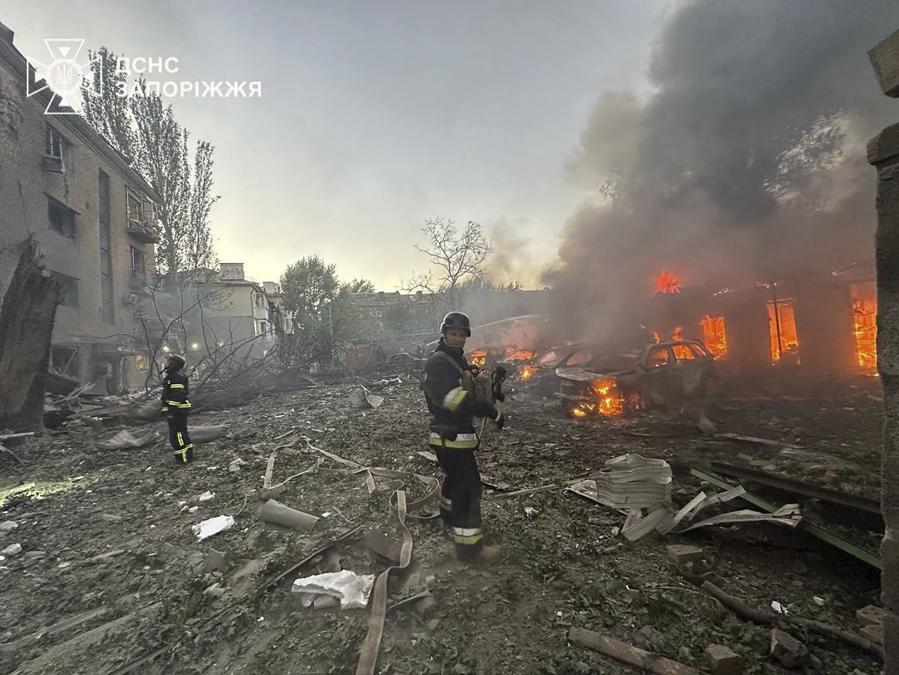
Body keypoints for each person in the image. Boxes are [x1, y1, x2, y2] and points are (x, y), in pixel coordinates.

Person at [421, 311, 505, 563]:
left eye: (462, 335)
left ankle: (448, 516)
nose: (458, 338)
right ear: (444, 334)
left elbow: (465, 389)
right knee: (468, 489)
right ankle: (470, 550)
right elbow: (452, 400)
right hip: (450, 435)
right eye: (453, 334)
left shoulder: (454, 359)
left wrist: (486, 390)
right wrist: (487, 409)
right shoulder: (439, 363)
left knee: (454, 479)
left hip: (453, 435)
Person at [161, 353, 194, 464]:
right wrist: (165, 410)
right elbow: (168, 396)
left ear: (174, 364)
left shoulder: (177, 377)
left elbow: (177, 395)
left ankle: (184, 458)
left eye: (169, 362)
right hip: (176, 410)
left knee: (178, 434)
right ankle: (183, 456)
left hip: (178, 410)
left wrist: (172, 411)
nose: (167, 364)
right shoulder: (173, 376)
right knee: (176, 434)